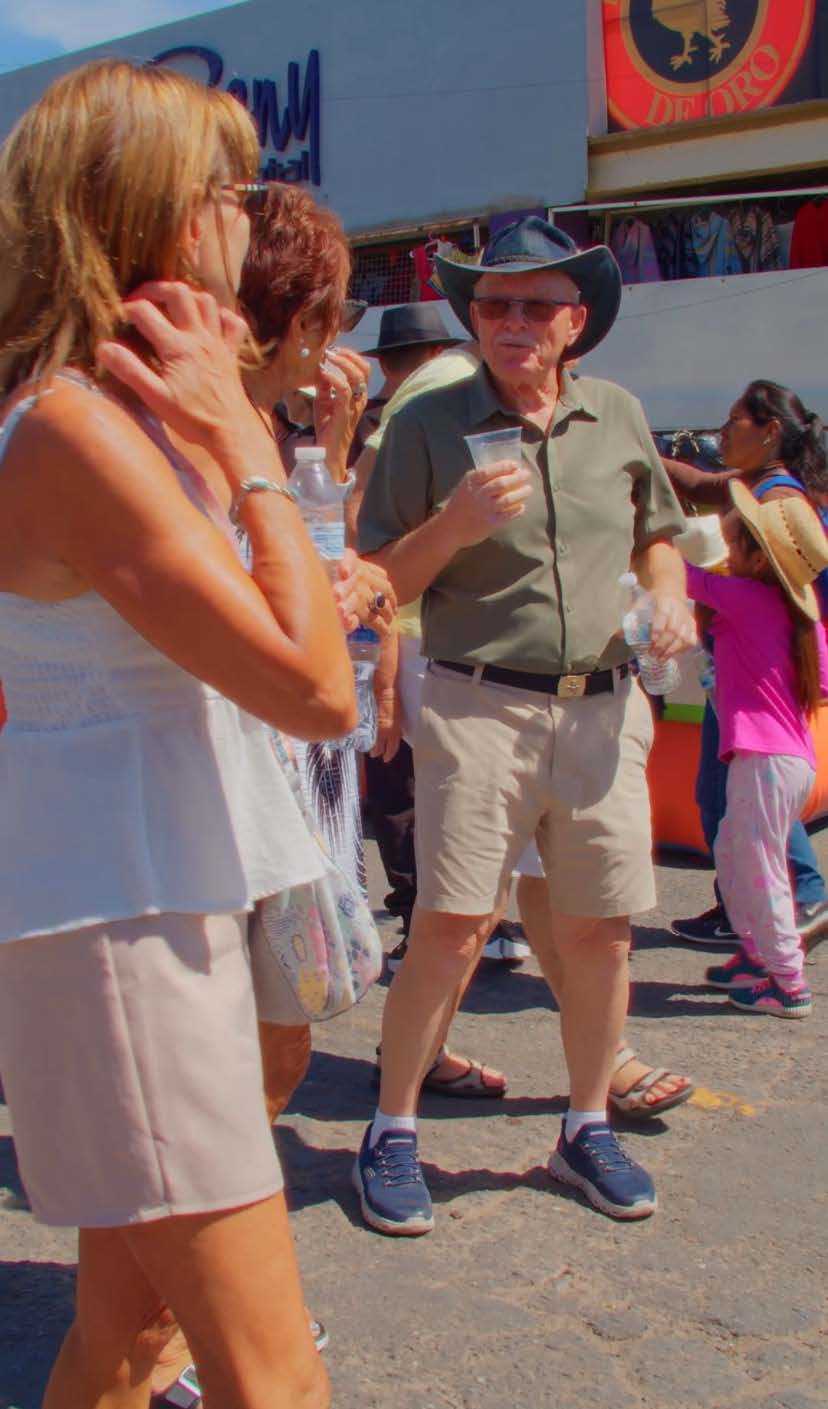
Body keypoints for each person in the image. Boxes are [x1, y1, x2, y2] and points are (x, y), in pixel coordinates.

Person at [0, 60, 354, 1409]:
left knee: (125, 1344)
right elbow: (317, 688)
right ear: (145, 213)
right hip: (124, 926)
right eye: (221, 190)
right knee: (273, 1377)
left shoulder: (97, 416)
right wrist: (247, 432)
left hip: (144, 900)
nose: (239, 219)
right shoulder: (79, 431)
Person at [355, 215, 696, 1233]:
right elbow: (379, 582)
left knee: (597, 929)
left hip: (603, 707)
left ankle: (585, 1125)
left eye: (536, 304)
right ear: (473, 317)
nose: (512, 320)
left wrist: (667, 594)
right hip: (476, 703)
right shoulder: (427, 421)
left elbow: (660, 538)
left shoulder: (620, 415)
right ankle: (392, 1128)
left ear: (575, 321)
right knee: (453, 924)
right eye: (494, 303)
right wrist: (456, 521)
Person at [673, 381, 828, 953]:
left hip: (756, 678)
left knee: (738, 804)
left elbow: (716, 576)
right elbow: (701, 483)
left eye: (735, 419)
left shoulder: (777, 503)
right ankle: (761, 913)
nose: (723, 429)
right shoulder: (768, 488)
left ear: (769, 433)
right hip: (760, 674)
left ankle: (783, 928)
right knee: (748, 804)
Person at [686, 484, 828, 1015]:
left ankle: (789, 981)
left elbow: (684, 579)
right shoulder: (796, 615)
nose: (725, 549)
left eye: (733, 542)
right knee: (732, 850)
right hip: (788, 760)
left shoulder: (745, 598)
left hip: (764, 760)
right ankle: (754, 954)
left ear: (755, 555)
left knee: (759, 863)